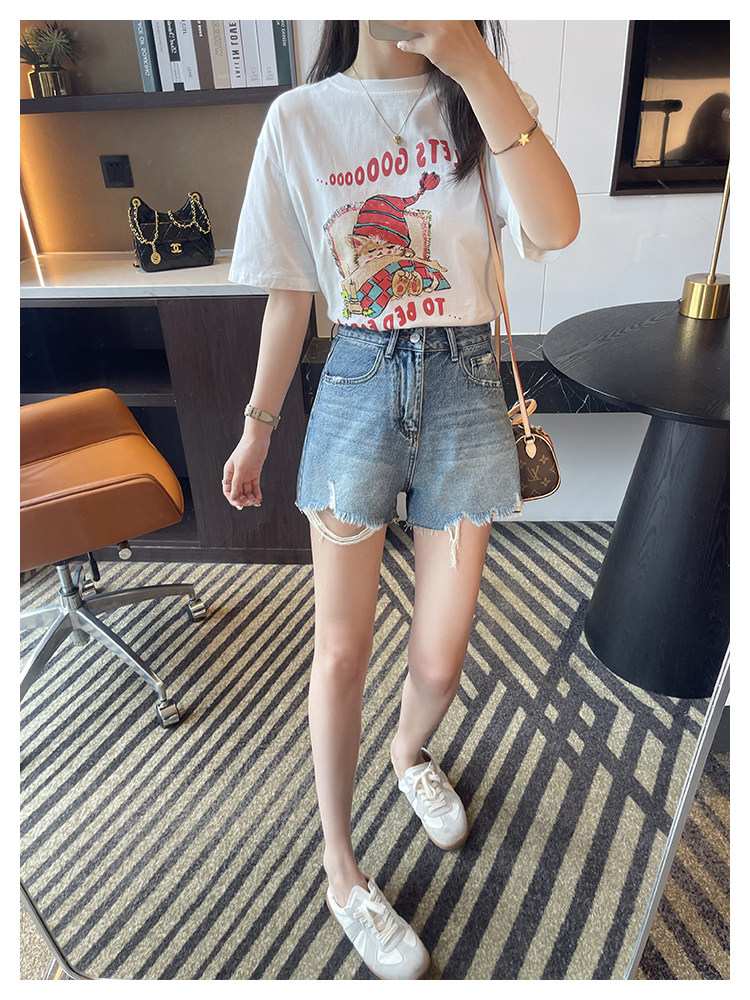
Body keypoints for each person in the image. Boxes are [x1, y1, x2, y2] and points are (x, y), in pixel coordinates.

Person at [223, 20, 579, 980]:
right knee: (341, 651)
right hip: (357, 382)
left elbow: (554, 228)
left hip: (465, 389)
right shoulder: (300, 119)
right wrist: (258, 426)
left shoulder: (482, 101)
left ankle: (408, 754)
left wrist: (473, 62)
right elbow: (290, 293)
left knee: (441, 655)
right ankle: (341, 871)